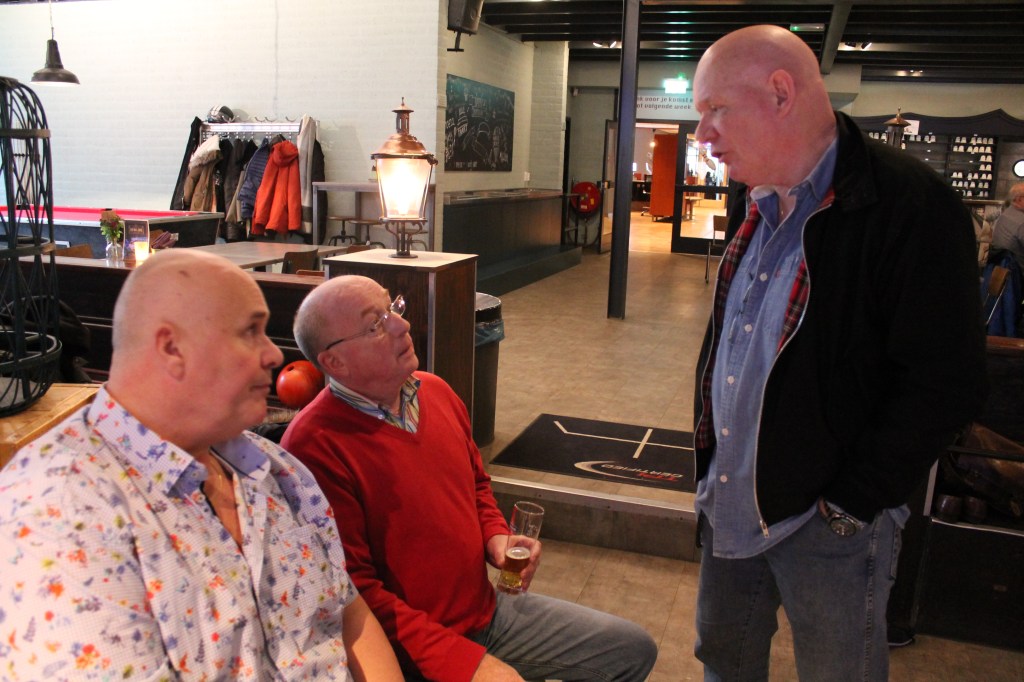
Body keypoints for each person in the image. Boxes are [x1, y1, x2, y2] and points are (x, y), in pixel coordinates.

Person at [690, 25, 987, 680]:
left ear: (780, 93)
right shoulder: (752, 194)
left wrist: (852, 502)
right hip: (732, 500)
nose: (703, 134)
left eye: (716, 110)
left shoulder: (912, 205)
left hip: (828, 525)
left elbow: (947, 380)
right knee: (724, 658)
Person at [0, 250, 403, 681]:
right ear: (172, 347)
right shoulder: (57, 510)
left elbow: (349, 616)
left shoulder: (275, 468)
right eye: (250, 332)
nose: (273, 355)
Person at [281, 275, 658, 682]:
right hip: (411, 652)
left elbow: (476, 484)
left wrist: (496, 537)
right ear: (334, 362)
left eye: (393, 308)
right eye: (375, 325)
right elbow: (354, 595)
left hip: (487, 615)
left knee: (631, 649)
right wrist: (466, 663)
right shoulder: (313, 445)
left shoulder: (435, 391)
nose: (402, 325)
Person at [991, 182, 1024, 272]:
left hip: (1000, 269)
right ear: (1019, 199)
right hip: (1017, 273)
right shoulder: (1021, 221)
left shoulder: (1006, 214)